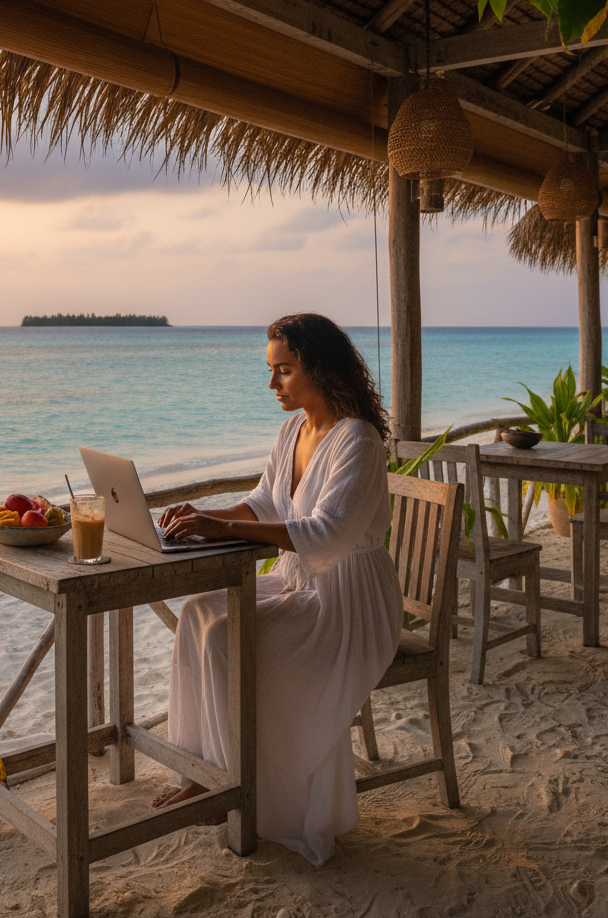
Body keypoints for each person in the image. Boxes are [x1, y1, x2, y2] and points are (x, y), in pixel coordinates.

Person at [152, 312, 402, 866]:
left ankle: (231, 786)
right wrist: (201, 516)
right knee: (198, 612)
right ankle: (210, 771)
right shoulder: (294, 429)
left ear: (320, 369)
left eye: (284, 371)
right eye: (271, 371)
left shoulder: (357, 441)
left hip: (349, 603)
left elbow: (328, 534)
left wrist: (225, 530)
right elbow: (265, 503)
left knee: (224, 641)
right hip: (300, 582)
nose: (273, 385)